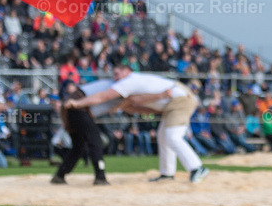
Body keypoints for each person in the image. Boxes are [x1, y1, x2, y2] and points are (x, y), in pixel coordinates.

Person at [63, 64, 209, 183]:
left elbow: (103, 96)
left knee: (172, 136)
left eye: (117, 73)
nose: (115, 78)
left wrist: (77, 103)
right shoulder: (132, 84)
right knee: (163, 137)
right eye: (113, 74)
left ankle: (197, 168)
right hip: (174, 102)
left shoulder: (129, 81)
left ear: (127, 71)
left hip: (180, 99)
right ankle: (167, 173)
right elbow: (134, 106)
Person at [51, 80, 108, 185]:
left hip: (75, 114)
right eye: (69, 86)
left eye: (72, 86)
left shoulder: (77, 93)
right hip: (77, 112)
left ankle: (60, 175)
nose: (71, 88)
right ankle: (100, 176)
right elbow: (66, 106)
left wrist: (67, 124)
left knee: (78, 147)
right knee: (95, 141)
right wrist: (67, 124)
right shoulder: (73, 96)